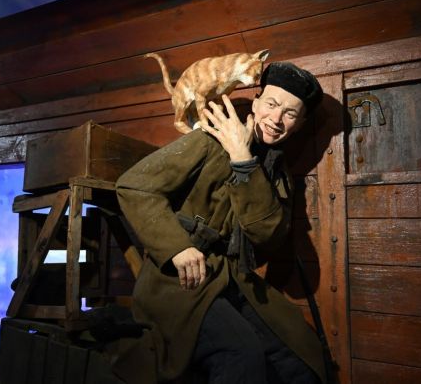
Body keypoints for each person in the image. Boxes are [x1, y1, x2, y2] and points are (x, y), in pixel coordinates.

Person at [115, 62, 326, 383]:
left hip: (233, 280)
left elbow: (267, 237)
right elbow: (135, 186)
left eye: (290, 114)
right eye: (271, 104)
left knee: (299, 357)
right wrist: (177, 247)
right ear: (256, 102)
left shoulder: (279, 173)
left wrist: (243, 160)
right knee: (241, 354)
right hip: (178, 280)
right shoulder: (210, 139)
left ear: (299, 124)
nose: (276, 119)